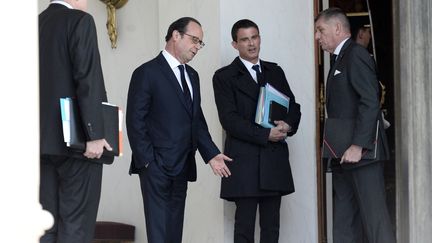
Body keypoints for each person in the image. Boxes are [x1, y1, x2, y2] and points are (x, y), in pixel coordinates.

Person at [126, 17, 232, 243]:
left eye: (200, 43)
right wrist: (148, 162)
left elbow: (196, 120)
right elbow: (135, 121)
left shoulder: (192, 75)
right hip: (156, 166)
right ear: (176, 35)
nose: (197, 47)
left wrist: (211, 153)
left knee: (174, 233)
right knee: (159, 234)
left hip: (183, 164)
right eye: (194, 40)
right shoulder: (147, 72)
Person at [212, 19, 301, 243]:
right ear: (235, 44)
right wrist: (265, 135)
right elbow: (229, 120)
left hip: (273, 161)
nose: (251, 44)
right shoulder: (224, 76)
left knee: (272, 229)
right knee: (244, 229)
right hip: (244, 162)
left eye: (255, 37)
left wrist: (287, 125)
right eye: (245, 39)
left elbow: (294, 107)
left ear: (260, 38)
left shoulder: (275, 71)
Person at [315, 8, 395, 243]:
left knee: (375, 219)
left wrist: (359, 145)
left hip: (362, 154)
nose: (317, 37)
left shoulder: (356, 54)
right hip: (341, 154)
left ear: (337, 29)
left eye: (321, 30)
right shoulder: (338, 58)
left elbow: (370, 102)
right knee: (344, 220)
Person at [39, 0, 114, 242]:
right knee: (76, 225)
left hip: (39, 143)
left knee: (45, 225)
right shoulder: (79, 21)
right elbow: (87, 77)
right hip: (76, 143)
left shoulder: (34, 25)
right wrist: (94, 135)